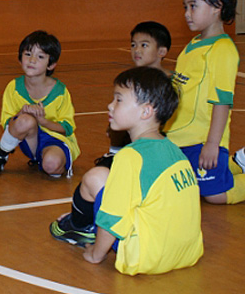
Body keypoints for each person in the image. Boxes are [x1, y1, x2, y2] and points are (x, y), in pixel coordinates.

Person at [50, 67, 203, 275]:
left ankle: (78, 226)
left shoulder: (129, 157)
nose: (110, 106)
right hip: (187, 252)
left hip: (145, 256)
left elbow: (113, 217)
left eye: (118, 100)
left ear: (146, 111)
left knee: (95, 178)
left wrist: (96, 254)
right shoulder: (174, 150)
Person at [165, 0, 245, 204]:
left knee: (213, 195)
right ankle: (237, 163)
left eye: (193, 6)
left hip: (202, 139)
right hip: (179, 137)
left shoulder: (222, 50)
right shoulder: (194, 44)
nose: (187, 14)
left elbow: (222, 102)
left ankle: (229, 166)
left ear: (217, 6)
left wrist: (211, 144)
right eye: (185, 7)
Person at [0, 30, 79, 178]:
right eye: (28, 54)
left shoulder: (60, 92)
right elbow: (8, 125)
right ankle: (0, 155)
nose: (32, 60)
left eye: (40, 56)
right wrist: (21, 114)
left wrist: (43, 121)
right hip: (30, 140)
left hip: (57, 139)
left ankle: (48, 160)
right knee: (25, 120)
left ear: (51, 64)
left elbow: (67, 129)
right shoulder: (13, 88)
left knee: (52, 165)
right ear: (20, 58)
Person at [99, 21, 172, 165]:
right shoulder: (131, 81)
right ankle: (115, 157)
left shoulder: (171, 82)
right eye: (133, 45)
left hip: (160, 141)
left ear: (161, 52)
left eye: (144, 45)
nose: (137, 50)